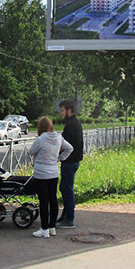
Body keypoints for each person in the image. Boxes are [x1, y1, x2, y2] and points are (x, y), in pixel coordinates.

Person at [28, 116, 73, 238]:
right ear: (51, 126)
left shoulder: (40, 139)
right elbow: (70, 148)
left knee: (44, 201)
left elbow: (30, 152)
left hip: (41, 174)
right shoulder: (59, 137)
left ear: (40, 127)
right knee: (53, 200)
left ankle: (44, 229)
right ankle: (52, 227)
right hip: (53, 173)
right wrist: (59, 158)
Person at [58, 99, 83, 229]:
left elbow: (63, 145)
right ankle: (65, 216)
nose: (61, 113)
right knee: (64, 188)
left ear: (69, 110)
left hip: (70, 162)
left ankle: (70, 219)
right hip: (72, 161)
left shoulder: (71, 125)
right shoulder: (74, 123)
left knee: (67, 190)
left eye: (62, 110)